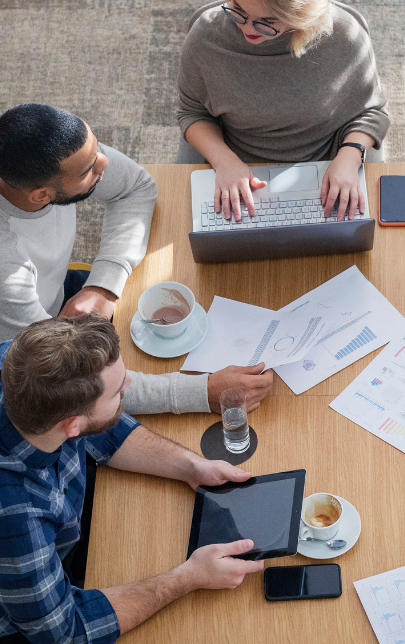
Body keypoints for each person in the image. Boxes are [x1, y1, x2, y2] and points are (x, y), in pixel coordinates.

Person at [0, 316, 265, 644]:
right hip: (26, 615)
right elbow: (61, 632)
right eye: (117, 391)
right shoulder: (16, 513)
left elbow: (101, 427)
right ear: (70, 425)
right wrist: (188, 577)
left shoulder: (17, 364)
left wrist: (190, 466)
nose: (129, 382)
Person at [0, 103, 273, 416]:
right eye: (88, 169)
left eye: (96, 148)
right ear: (40, 195)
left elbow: (136, 186)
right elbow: (60, 378)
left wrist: (104, 285)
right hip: (23, 360)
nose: (104, 161)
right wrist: (201, 392)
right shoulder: (6, 267)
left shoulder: (49, 153)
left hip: (53, 303)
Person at [177, 0, 390, 223]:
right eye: (237, 10)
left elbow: (372, 112)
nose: (248, 29)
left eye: (267, 22)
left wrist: (349, 157)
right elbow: (192, 111)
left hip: (327, 164)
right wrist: (225, 162)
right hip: (236, 165)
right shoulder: (206, 37)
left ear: (299, 13)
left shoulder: (344, 37)